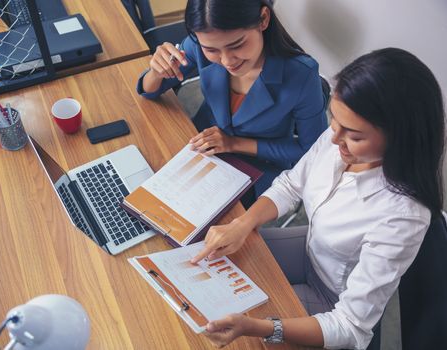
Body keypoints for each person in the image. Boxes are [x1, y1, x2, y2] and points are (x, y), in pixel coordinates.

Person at [190, 47, 445, 349]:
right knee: (206, 264)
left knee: (228, 330)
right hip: (312, 249)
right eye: (333, 120)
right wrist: (243, 224)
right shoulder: (339, 137)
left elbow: (350, 325)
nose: (334, 137)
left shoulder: (402, 215)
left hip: (331, 301)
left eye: (354, 135)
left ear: (400, 137)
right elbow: (290, 185)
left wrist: (259, 327)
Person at [137, 0, 328, 205]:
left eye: (236, 45)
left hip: (256, 165)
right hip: (199, 144)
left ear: (263, 19)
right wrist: (156, 72)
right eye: (212, 50)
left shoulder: (301, 74)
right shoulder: (199, 45)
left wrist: (233, 144)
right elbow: (150, 92)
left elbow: (313, 150)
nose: (227, 61)